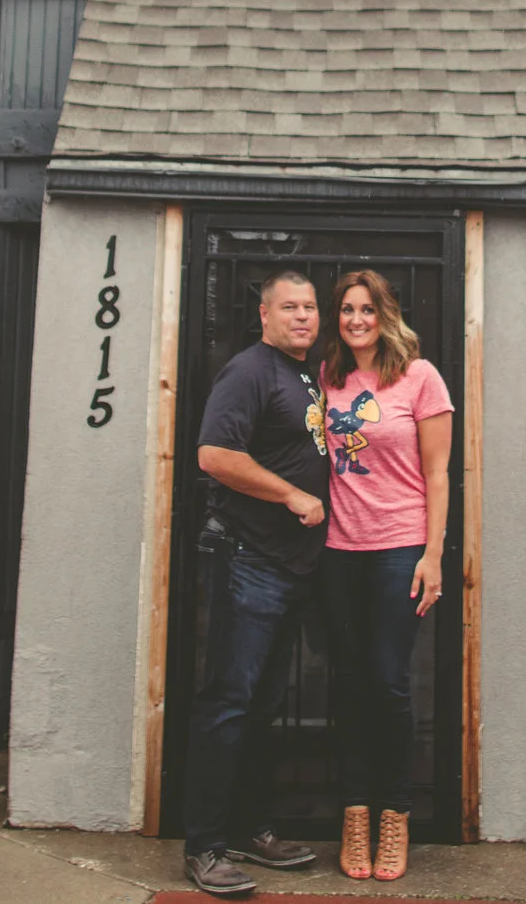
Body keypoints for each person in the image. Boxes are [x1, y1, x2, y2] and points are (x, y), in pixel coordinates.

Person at [184, 270, 332, 899]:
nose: (303, 316)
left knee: (262, 705)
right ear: (265, 315)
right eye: (289, 307)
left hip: (290, 565)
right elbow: (215, 455)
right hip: (250, 558)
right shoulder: (249, 370)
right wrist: (292, 492)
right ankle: (204, 846)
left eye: (309, 307)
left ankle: (249, 829)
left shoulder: (305, 374)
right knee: (229, 703)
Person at [317, 269, 452, 883]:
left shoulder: (419, 378)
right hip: (339, 549)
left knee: (389, 683)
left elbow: (440, 474)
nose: (355, 319)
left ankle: (395, 815)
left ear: (385, 314)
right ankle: (355, 815)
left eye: (366, 309)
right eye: (346, 309)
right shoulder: (329, 377)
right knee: (347, 684)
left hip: (400, 546)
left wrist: (434, 555)